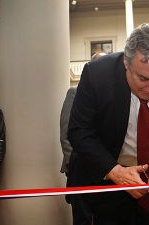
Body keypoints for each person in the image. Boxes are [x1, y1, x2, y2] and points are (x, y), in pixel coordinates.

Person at [67, 23, 149, 225]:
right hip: (103, 182)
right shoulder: (97, 75)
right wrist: (116, 172)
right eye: (143, 78)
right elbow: (79, 132)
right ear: (126, 63)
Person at [60, 52, 107, 225]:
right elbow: (66, 135)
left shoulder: (109, 96)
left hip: (105, 173)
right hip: (80, 170)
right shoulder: (75, 92)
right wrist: (78, 164)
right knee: (83, 219)